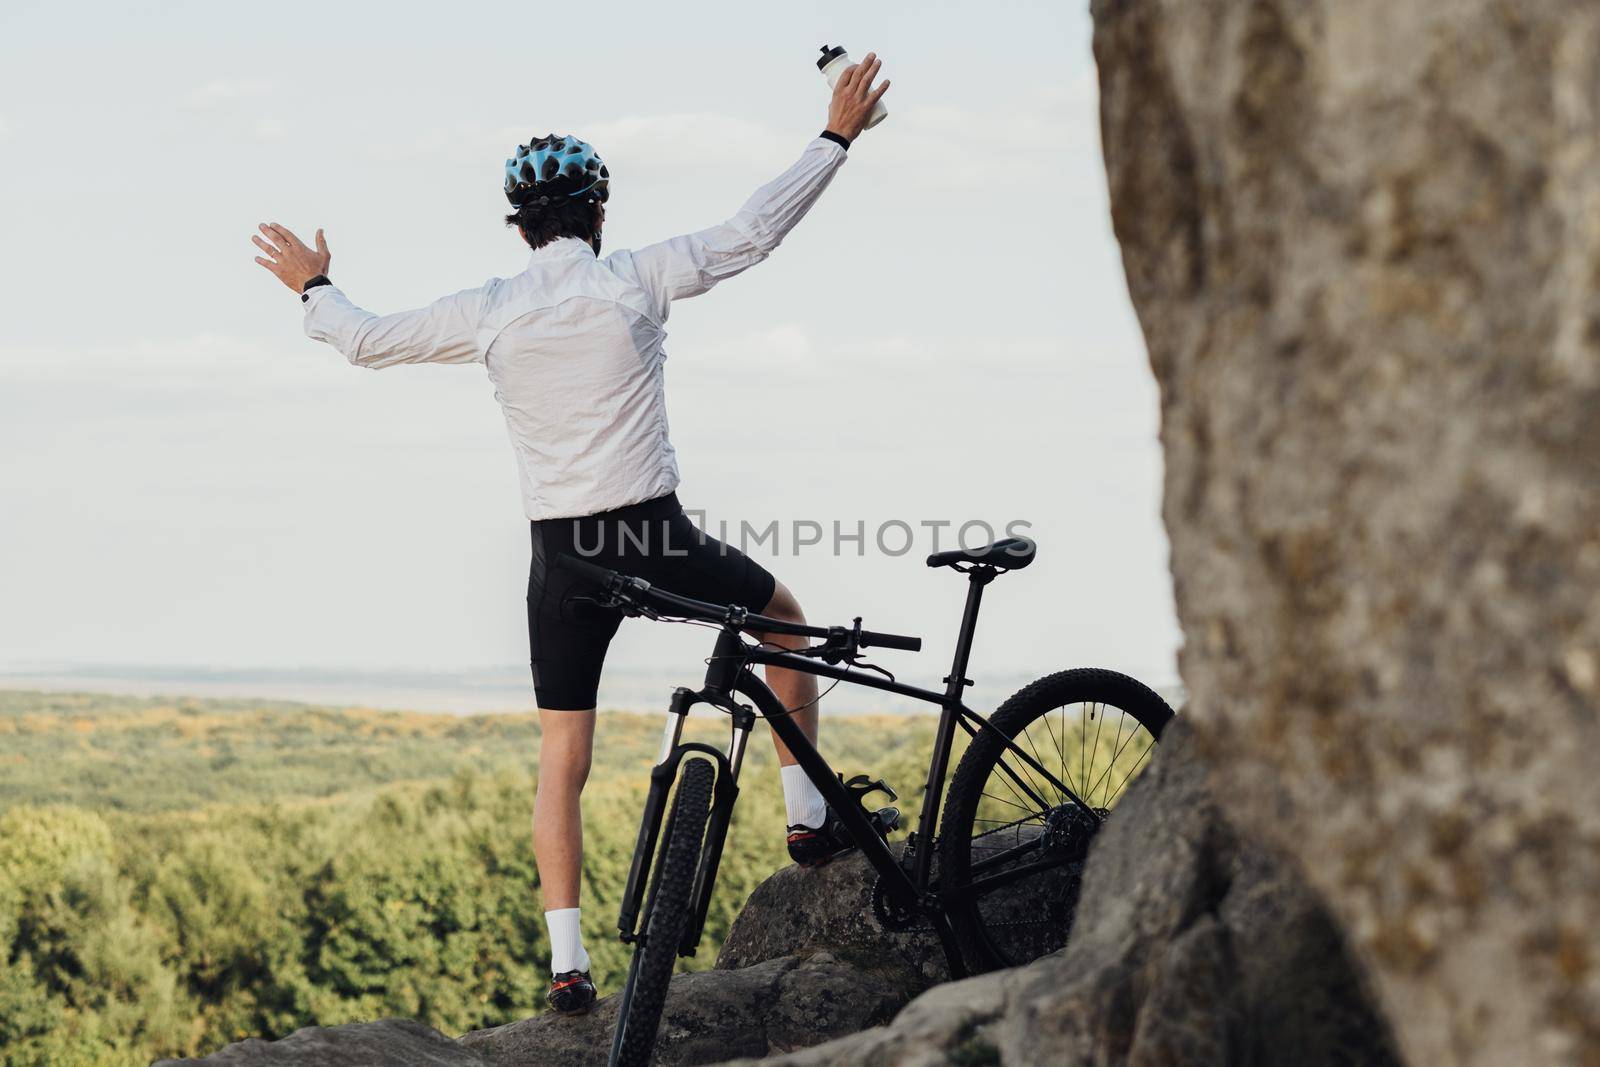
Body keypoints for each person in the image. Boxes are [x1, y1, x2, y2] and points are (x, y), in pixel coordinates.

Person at [252, 56, 892, 1016]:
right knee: (787, 624)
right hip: (654, 540)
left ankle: (567, 962)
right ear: (599, 214)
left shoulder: (493, 309)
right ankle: (806, 824)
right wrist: (833, 136)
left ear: (519, 227)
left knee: (563, 758)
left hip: (563, 565)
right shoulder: (634, 278)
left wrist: (314, 285)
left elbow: (362, 339)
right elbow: (754, 232)